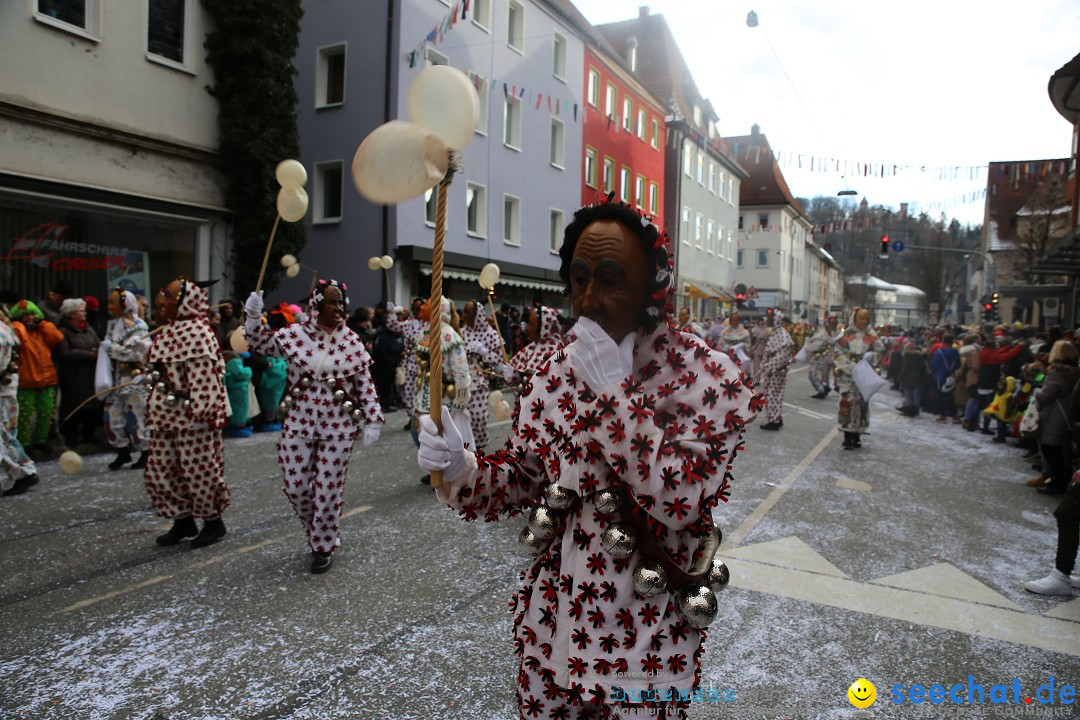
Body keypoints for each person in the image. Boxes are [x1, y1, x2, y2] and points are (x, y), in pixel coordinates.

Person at [418, 199, 762, 719]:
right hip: (553, 632)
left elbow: (680, 501)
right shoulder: (555, 372)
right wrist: (463, 467)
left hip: (643, 642)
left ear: (652, 288)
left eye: (610, 279)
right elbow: (528, 481)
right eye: (579, 279)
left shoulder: (704, 376)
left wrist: (615, 394)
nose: (590, 299)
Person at [245, 280, 383, 573]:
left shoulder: (351, 341)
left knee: (327, 490)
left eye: (342, 302)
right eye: (333, 301)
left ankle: (322, 545)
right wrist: (254, 317)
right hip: (298, 423)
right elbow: (260, 343)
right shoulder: (294, 335)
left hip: (338, 428)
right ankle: (319, 531)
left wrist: (372, 419)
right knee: (296, 487)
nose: (339, 307)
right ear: (317, 304)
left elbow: (364, 384)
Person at [144, 277, 230, 548]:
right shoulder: (167, 331)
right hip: (164, 415)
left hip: (193, 418)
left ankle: (213, 522)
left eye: (168, 295)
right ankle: (182, 520)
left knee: (199, 471)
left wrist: (202, 415)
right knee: (162, 470)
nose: (161, 299)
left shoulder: (197, 333)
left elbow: (206, 381)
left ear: (185, 302)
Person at [415, 297, 473, 484]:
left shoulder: (450, 336)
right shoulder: (427, 332)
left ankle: (448, 475)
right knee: (428, 434)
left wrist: (461, 395)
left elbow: (461, 369)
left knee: (445, 435)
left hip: (445, 395)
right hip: (428, 392)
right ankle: (435, 471)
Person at [102, 287, 151, 470]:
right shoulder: (111, 326)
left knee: (138, 415)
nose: (109, 306)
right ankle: (122, 450)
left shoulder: (139, 327)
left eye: (112, 302)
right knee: (112, 414)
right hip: (113, 380)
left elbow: (137, 354)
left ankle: (146, 451)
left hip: (134, 380)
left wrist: (113, 350)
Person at [9, 301, 63, 455]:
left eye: (32, 314)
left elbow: (57, 338)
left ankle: (41, 440)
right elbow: (19, 341)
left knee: (46, 411)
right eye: (25, 315)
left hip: (47, 378)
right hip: (27, 379)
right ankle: (24, 442)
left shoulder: (41, 331)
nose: (29, 318)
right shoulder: (18, 331)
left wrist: (44, 324)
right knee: (24, 414)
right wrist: (18, 324)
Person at [831, 307, 884, 449]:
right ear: (855, 319)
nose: (865, 321)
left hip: (864, 375)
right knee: (846, 402)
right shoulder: (846, 335)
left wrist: (870, 359)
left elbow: (879, 351)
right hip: (847, 376)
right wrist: (850, 367)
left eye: (867, 318)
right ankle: (847, 435)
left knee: (861, 405)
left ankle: (857, 435)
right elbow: (837, 352)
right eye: (862, 318)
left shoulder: (871, 335)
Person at [1031, 341, 1079, 496]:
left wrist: (1037, 392)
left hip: (1055, 415)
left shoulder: (1057, 372)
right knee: (1061, 450)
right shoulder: (1074, 371)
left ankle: (1056, 483)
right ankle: (1061, 480)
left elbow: (1046, 395)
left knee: (1050, 449)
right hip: (1067, 415)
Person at [0, 308, 39, 496]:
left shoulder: (1, 332)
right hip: (4, 392)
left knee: (5, 438)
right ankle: (22, 472)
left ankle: (24, 472)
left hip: (2, 393)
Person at [55, 298, 102, 450]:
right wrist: (88, 355)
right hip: (73, 375)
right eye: (81, 311)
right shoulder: (63, 331)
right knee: (73, 406)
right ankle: (71, 436)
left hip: (90, 373)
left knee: (91, 404)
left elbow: (96, 342)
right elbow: (64, 353)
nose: (84, 313)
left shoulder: (88, 328)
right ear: (71, 314)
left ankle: (89, 434)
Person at [461, 300, 504, 453]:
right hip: (461, 382)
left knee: (479, 418)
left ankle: (478, 450)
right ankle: (464, 453)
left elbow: (498, 360)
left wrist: (483, 351)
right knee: (461, 419)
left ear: (477, 315)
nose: (463, 315)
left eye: (467, 312)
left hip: (479, 382)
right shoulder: (462, 332)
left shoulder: (490, 334)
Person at [385, 298, 425, 432]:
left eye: (420, 308)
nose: (417, 311)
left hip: (424, 366)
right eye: (415, 308)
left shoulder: (430, 325)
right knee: (407, 393)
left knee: (422, 392)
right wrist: (391, 312)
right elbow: (392, 325)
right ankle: (412, 417)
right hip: (409, 364)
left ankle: (422, 418)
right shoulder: (408, 324)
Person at [505, 305, 564, 381]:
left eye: (530, 324)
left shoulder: (558, 353)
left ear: (544, 328)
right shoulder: (532, 347)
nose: (526, 328)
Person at [758, 311, 794, 430]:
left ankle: (773, 420)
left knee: (773, 395)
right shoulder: (776, 333)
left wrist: (768, 366)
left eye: (770, 318)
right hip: (772, 371)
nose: (768, 321)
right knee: (772, 394)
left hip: (776, 372)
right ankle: (776, 418)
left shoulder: (782, 336)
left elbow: (782, 356)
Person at [930, 335, 960, 424]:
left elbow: (934, 364)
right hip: (951, 377)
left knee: (941, 397)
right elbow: (958, 365)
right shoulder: (955, 352)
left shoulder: (939, 352)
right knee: (950, 397)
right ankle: (955, 416)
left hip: (939, 377)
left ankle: (942, 416)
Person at [807, 316, 838, 399]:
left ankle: (822, 389)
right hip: (824, 358)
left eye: (832, 323)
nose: (830, 325)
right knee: (821, 375)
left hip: (823, 357)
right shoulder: (822, 332)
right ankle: (824, 387)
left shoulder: (834, 333)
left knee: (814, 374)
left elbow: (819, 345)